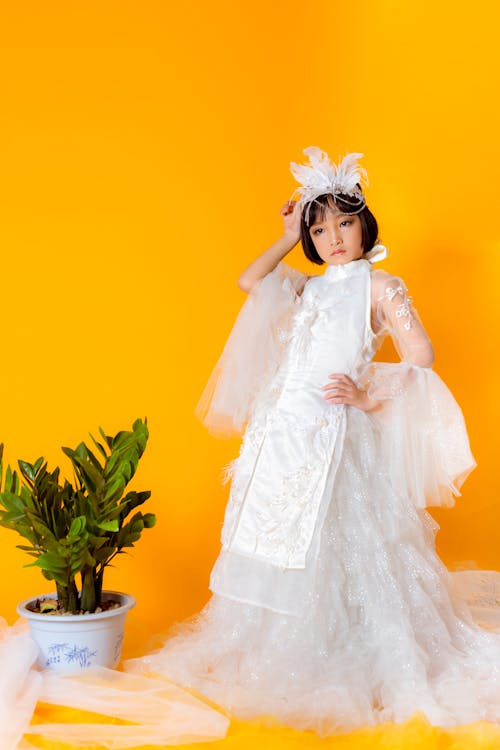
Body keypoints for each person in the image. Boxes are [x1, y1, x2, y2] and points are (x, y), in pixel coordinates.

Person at [123, 148, 500, 734]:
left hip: (335, 433)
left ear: (363, 224)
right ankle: (282, 641)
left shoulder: (379, 285)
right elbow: (250, 281)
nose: (332, 238)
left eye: (343, 223)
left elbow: (422, 355)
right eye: (318, 228)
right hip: (282, 431)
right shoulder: (308, 286)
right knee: (276, 534)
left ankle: (361, 646)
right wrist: (284, 233)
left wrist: (371, 397)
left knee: (344, 544)